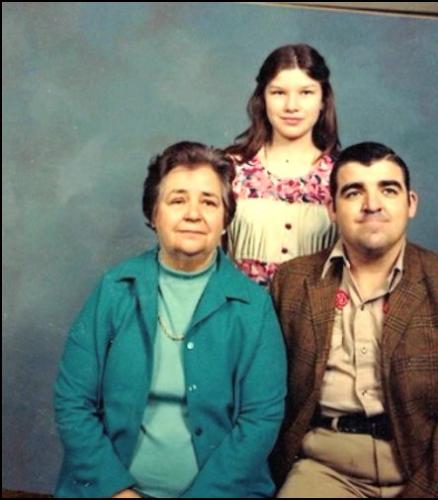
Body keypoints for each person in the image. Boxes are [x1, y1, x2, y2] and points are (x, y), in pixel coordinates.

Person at [270, 142, 438, 498]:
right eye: (354, 192)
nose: (372, 205)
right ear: (331, 208)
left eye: (388, 189)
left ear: (410, 203)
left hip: (427, 466)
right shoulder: (293, 282)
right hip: (326, 470)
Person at [54, 141, 287, 498]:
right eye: (177, 200)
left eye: (209, 202)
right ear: (153, 214)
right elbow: (72, 401)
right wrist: (116, 492)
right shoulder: (115, 289)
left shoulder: (252, 306)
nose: (193, 214)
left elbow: (260, 420)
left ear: (225, 218)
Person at [226, 44, 340, 286]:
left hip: (315, 320)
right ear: (262, 98)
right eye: (278, 93)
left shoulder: (342, 176)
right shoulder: (231, 169)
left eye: (306, 92)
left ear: (323, 100)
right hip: (241, 317)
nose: (291, 106)